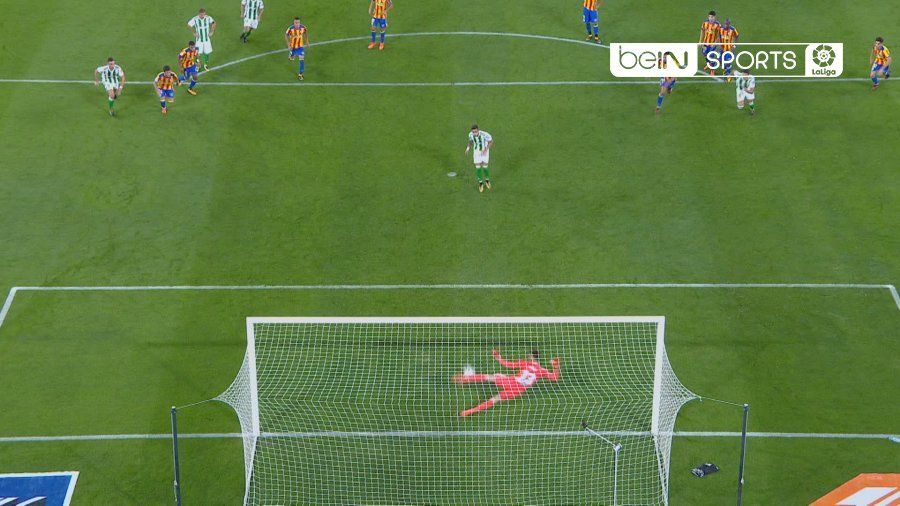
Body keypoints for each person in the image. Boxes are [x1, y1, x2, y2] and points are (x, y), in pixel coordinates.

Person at [453, 350, 561, 417]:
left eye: (529, 355)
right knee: (494, 399)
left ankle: (464, 379)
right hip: (518, 390)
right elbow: (555, 378)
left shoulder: (525, 363)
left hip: (511, 382)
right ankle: (469, 412)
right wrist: (556, 366)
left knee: (490, 377)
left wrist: (498, 358)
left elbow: (508, 365)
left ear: (532, 356)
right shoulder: (542, 370)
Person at [465, 124, 493, 192]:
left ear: (478, 130)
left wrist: (486, 149)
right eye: (473, 132)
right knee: (478, 167)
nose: (474, 133)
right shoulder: (470, 134)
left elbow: (491, 141)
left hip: (484, 151)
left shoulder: (485, 134)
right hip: (476, 152)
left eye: (475, 131)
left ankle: (487, 180)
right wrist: (468, 148)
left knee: (485, 166)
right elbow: (470, 141)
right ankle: (480, 183)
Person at [698, 11, 720, 75]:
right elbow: (702, 32)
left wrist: (715, 43)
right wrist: (700, 41)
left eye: (712, 17)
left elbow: (719, 35)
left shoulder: (717, 25)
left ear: (715, 17)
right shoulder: (705, 23)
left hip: (712, 44)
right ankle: (709, 64)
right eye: (709, 16)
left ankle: (712, 70)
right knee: (705, 54)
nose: (710, 18)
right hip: (705, 42)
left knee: (711, 56)